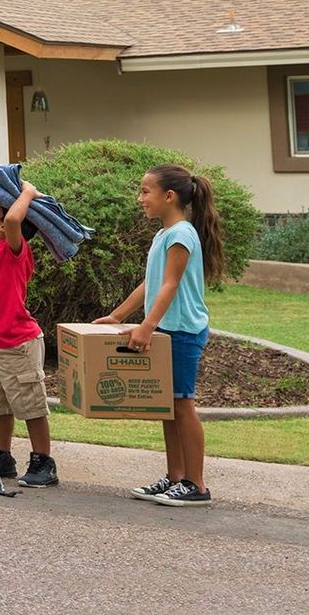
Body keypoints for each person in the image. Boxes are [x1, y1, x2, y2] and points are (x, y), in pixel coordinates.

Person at [96, 163, 225, 507]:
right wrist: (118, 315)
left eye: (145, 191)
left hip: (182, 331)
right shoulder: (165, 234)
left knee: (183, 405)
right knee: (168, 408)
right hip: (169, 329)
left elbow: (171, 284)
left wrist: (146, 326)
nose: (140, 199)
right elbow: (150, 283)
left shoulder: (181, 234)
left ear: (169, 196)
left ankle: (197, 485)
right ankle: (175, 478)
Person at [0, 182, 57, 488]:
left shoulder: (12, 249)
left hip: (18, 342)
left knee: (30, 405)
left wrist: (25, 192)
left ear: (4, 226)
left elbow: (16, 220)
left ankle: (43, 461)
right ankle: (2, 456)